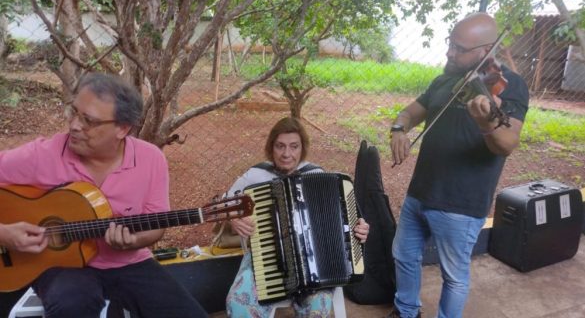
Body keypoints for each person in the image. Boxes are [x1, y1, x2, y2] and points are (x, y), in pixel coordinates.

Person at [0, 73, 207, 318]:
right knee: (73, 302)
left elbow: (156, 222)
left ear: (122, 128)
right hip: (61, 266)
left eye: (88, 120)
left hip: (129, 263)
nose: (74, 125)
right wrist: (4, 233)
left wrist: (135, 241)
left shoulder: (150, 159)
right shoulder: (42, 155)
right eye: (74, 112)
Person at [388, 13, 529, 318]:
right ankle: (406, 311)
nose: (450, 52)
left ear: (485, 51)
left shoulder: (509, 86)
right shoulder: (444, 80)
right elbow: (410, 113)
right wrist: (399, 128)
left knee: (453, 275)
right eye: (450, 44)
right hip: (420, 191)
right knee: (403, 255)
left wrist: (486, 123)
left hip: (460, 204)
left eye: (459, 48)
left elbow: (506, 144)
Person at [225, 117, 370, 317]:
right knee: (237, 302)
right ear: (271, 147)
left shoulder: (316, 174)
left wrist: (359, 229)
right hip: (264, 258)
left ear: (302, 148)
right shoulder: (256, 176)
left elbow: (345, 221)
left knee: (318, 308)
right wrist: (233, 218)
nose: (287, 154)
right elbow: (224, 205)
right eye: (280, 146)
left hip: (316, 266)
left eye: (294, 147)